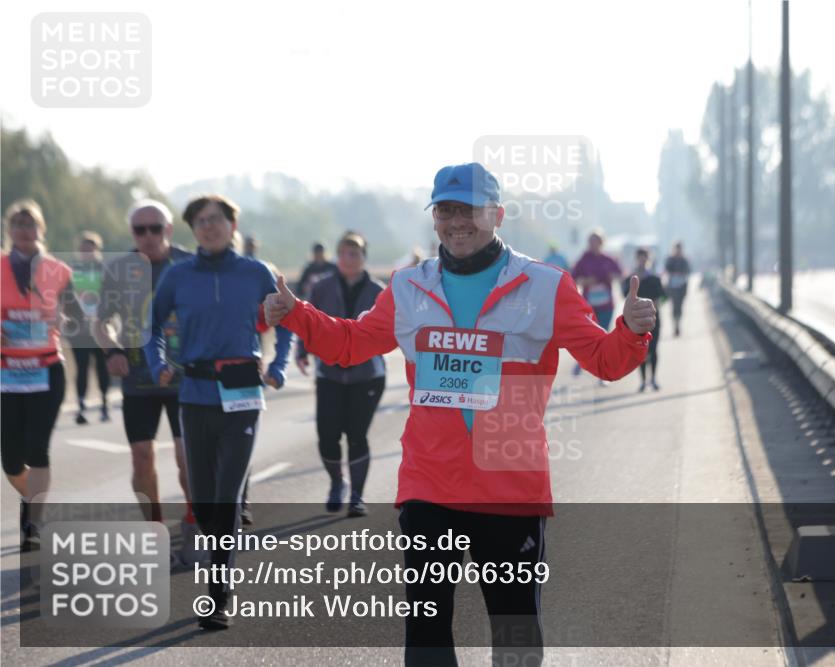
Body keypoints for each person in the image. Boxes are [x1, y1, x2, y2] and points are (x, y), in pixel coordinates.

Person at [265, 162, 656, 666]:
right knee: (426, 631)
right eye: (445, 210)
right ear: (434, 219)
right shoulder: (408, 287)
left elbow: (605, 360)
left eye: (468, 209)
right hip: (431, 484)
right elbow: (349, 344)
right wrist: (296, 313)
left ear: (497, 214)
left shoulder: (545, 285)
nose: (457, 221)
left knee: (515, 631)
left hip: (509, 482)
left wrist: (630, 329)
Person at [144, 194, 291, 630]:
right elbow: (151, 324)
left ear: (232, 225)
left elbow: (288, 320)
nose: (208, 227)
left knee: (225, 496)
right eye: (200, 222)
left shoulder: (254, 272)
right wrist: (157, 365)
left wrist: (279, 366)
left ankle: (218, 593)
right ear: (192, 230)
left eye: (216, 220)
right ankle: (217, 545)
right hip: (195, 392)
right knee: (205, 499)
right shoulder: (178, 275)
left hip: (244, 390)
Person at [92, 199, 198, 560]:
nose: (149, 236)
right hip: (138, 377)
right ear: (132, 233)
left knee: (188, 460)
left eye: (156, 228)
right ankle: (154, 529)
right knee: (141, 458)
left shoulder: (189, 264)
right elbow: (100, 321)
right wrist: (111, 351)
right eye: (141, 229)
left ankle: (193, 519)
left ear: (168, 230)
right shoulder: (119, 270)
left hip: (185, 378)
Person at [1, 200, 82, 550]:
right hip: (7, 373)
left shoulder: (58, 270)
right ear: (9, 230)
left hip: (47, 369)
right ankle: (35, 503)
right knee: (10, 457)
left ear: (41, 230)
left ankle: (34, 522)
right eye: (17, 224)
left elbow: (78, 317)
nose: (23, 230)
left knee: (37, 448)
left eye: (29, 224)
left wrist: (66, 322)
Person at [295, 231, 385, 517]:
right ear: (337, 256)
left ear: (363, 257)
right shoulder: (322, 287)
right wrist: (301, 350)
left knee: (357, 434)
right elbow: (308, 319)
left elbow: (390, 327)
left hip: (367, 374)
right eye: (344, 253)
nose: (349, 258)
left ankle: (357, 496)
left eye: (355, 253)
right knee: (328, 435)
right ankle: (337, 482)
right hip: (329, 373)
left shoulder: (378, 291)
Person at [68, 231, 111, 424]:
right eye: (84, 250)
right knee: (82, 367)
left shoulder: (105, 270)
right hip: (79, 329)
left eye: (91, 250)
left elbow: (112, 298)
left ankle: (104, 404)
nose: (87, 253)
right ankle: (81, 406)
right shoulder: (72, 271)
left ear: (97, 250)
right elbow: (66, 299)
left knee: (103, 367)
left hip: (100, 327)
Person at [570, 230, 623, 382]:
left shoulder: (608, 259)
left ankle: (603, 375)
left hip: (606, 305)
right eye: (591, 242)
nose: (594, 245)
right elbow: (573, 278)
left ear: (602, 243)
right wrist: (586, 282)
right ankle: (581, 363)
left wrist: (613, 277)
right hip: (588, 305)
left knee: (604, 337)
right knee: (589, 337)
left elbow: (620, 274)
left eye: (597, 242)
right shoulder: (584, 259)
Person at [622, 247, 666, 391]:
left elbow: (664, 296)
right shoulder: (632, 279)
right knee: (640, 350)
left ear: (648, 259)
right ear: (637, 259)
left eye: (645, 257)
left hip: (653, 317)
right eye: (640, 257)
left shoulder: (654, 278)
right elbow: (624, 294)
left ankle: (653, 379)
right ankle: (642, 381)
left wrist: (656, 303)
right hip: (636, 319)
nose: (642, 260)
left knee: (653, 349)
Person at [664, 241, 691, 336]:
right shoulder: (670, 259)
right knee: (674, 306)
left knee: (679, 306)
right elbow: (667, 269)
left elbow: (688, 271)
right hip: (673, 286)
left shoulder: (684, 260)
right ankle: (675, 325)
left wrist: (681, 274)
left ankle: (678, 324)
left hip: (682, 286)